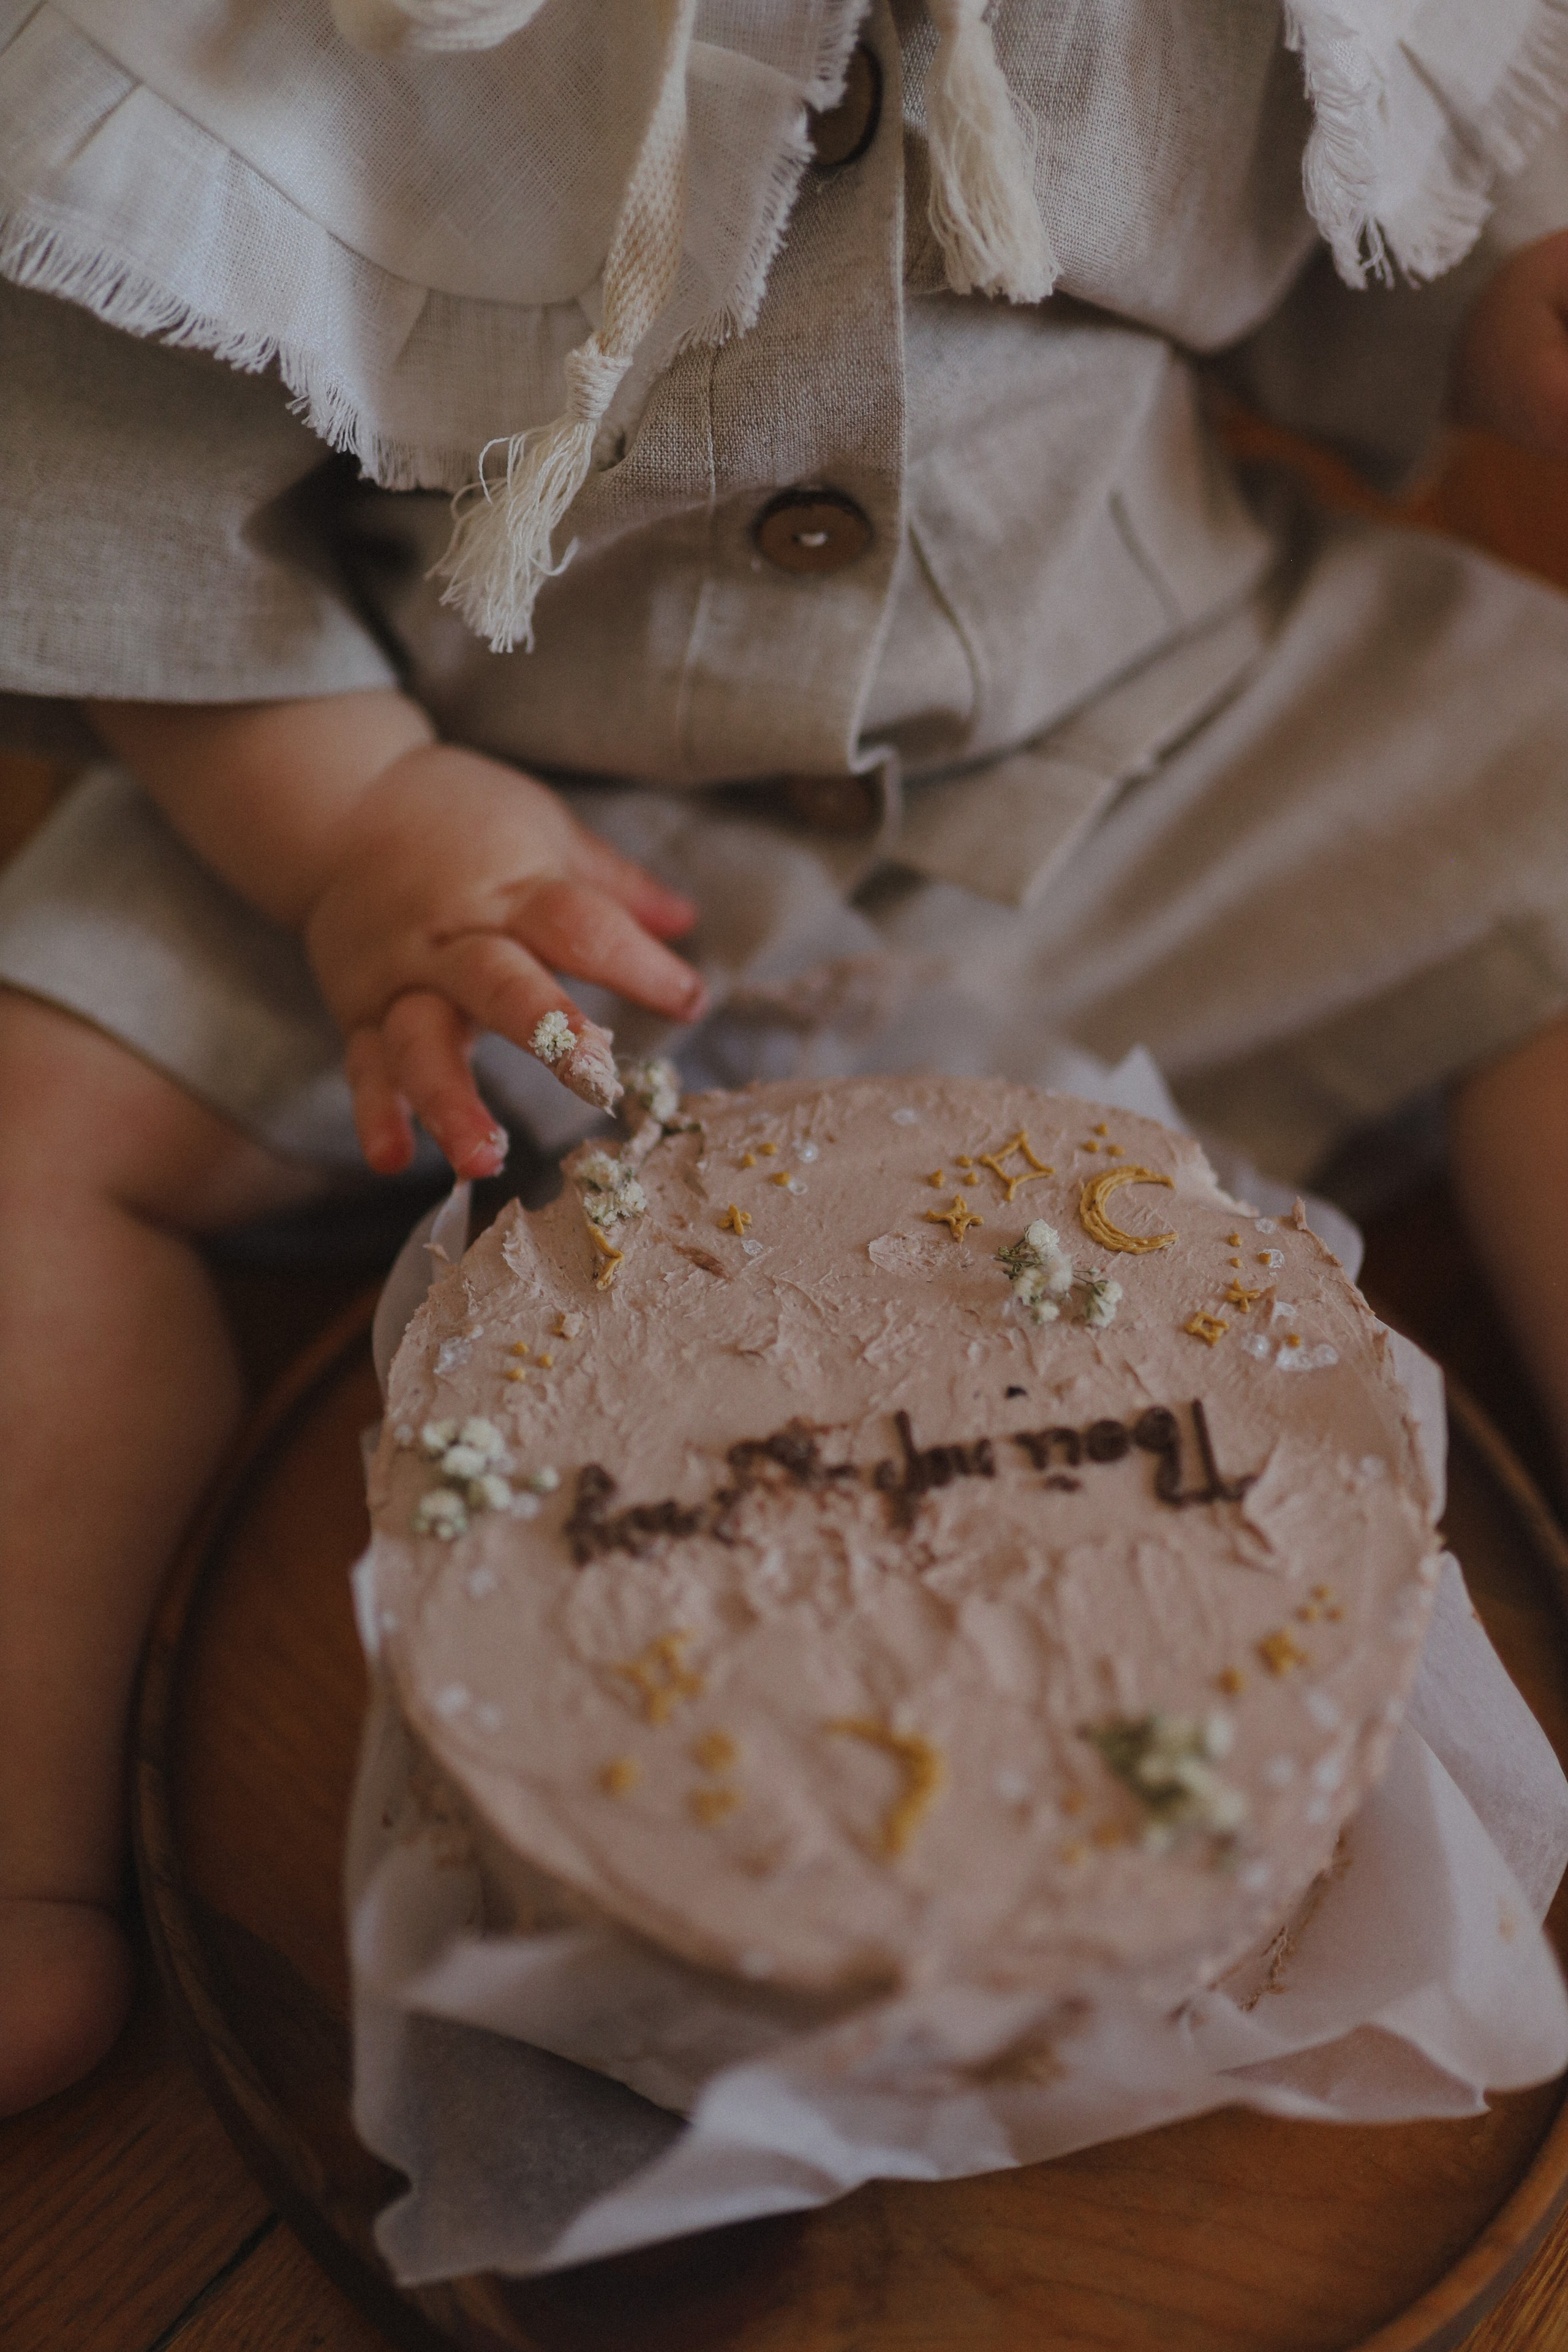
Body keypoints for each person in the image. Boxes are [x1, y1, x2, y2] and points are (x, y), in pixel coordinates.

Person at [5, 0, 1568, 2116]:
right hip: (475, 841)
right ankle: (22, 1844)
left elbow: (1380, 211)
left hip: (1148, 752)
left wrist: (1508, 305)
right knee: (34, 1129)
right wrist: (348, 816)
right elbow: (105, 487)